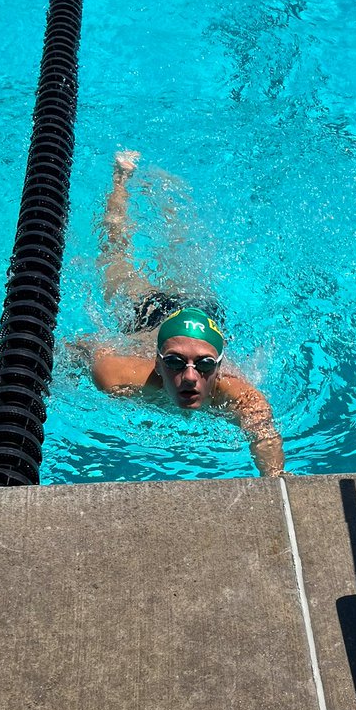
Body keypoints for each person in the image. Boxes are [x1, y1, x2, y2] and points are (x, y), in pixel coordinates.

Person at [83, 151, 285, 478]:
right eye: (175, 362)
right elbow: (86, 347)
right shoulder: (116, 377)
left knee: (178, 247)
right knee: (115, 252)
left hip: (202, 311)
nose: (190, 377)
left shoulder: (239, 396)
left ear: (219, 368)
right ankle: (120, 180)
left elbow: (265, 436)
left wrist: (274, 476)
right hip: (146, 313)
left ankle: (166, 196)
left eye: (204, 365)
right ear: (157, 364)